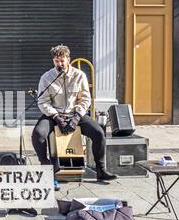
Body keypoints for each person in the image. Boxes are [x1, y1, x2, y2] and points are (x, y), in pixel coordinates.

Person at [31, 45, 118, 187]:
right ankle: (47, 170)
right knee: (38, 134)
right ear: (53, 61)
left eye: (62, 60)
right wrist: (56, 117)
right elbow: (42, 101)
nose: (60, 64)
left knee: (98, 133)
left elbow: (85, 99)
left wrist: (77, 116)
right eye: (56, 61)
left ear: (68, 59)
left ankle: (101, 170)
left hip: (74, 114)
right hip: (54, 115)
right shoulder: (46, 78)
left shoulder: (80, 75)